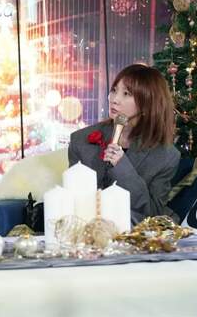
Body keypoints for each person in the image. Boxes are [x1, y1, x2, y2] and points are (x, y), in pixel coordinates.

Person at [68, 64, 180, 224]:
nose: (114, 99)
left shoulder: (166, 155)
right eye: (114, 90)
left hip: (135, 231)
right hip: (88, 228)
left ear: (147, 104)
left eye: (126, 94)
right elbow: (75, 201)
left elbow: (152, 212)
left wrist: (122, 167)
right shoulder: (81, 140)